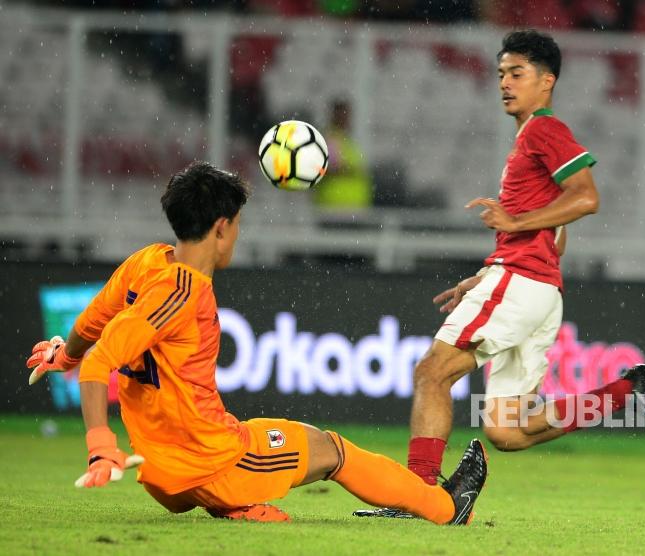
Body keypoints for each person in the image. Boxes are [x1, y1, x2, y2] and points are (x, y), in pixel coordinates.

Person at [26, 161, 486, 525]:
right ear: (222, 227)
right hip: (211, 460)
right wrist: (100, 442)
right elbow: (100, 359)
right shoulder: (184, 291)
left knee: (259, 440)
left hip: (161, 472)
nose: (238, 236)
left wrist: (63, 354)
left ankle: (240, 509)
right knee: (333, 449)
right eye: (238, 225)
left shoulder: (144, 263)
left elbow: (90, 329)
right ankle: (448, 510)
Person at [355, 29, 645, 519]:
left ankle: (418, 498)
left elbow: (588, 197)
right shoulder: (529, 140)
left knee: (431, 374)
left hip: (521, 282)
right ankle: (629, 389)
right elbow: (557, 231)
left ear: (546, 81)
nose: (505, 82)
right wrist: (485, 276)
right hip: (538, 289)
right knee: (506, 431)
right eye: (501, 73)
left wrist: (513, 232)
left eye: (517, 73)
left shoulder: (544, 131)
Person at [312, 99, 373, 210]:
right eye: (342, 114)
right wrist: (349, 170)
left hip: (351, 207)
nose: (346, 119)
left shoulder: (347, 140)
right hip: (334, 205)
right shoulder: (330, 139)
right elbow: (325, 169)